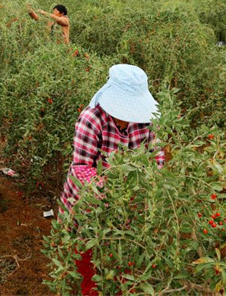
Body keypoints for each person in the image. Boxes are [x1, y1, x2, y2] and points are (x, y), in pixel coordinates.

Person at [59, 64, 164, 295]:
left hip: (128, 208)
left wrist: (147, 186)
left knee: (119, 261)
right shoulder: (92, 119)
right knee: (89, 264)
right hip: (89, 207)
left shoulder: (147, 121)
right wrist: (113, 195)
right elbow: (82, 168)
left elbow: (157, 156)